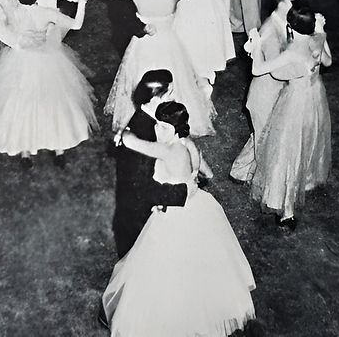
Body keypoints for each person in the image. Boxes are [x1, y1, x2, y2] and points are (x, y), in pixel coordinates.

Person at [101, 102, 256, 337]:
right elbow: (208, 172)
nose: (157, 131)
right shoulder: (188, 144)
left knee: (163, 267)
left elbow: (134, 143)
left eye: (164, 127)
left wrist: (125, 133)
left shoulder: (168, 150)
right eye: (157, 125)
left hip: (173, 215)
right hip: (199, 209)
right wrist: (192, 179)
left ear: (176, 129)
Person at [0, 0, 95, 168]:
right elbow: (77, 24)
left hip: (20, 60)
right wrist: (82, 1)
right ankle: (58, 148)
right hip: (47, 60)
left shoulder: (11, 10)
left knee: (22, 102)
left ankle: (25, 151)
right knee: (53, 101)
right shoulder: (46, 12)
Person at [101, 0, 216, 136]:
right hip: (169, 44)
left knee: (139, 79)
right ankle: (175, 116)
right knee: (176, 81)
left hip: (143, 46)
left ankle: (141, 115)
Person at [249, 1, 332, 230]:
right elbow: (328, 61)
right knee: (306, 143)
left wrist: (256, 46)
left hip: (296, 102)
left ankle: (287, 212)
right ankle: (302, 184)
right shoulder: (317, 38)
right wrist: (322, 31)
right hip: (315, 98)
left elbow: (258, 69)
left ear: (291, 27)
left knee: (287, 151)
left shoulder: (293, 53)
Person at [229, 0, 306, 182]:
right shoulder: (271, 30)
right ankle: (266, 183)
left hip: (272, 95)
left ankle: (239, 171)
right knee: (266, 141)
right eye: (293, 1)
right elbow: (278, 70)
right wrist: (301, 69)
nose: (298, 5)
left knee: (262, 135)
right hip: (264, 96)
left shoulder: (284, 22)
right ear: (280, 3)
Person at [112, 70, 187, 258]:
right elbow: (141, 188)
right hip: (138, 219)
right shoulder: (143, 133)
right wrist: (184, 192)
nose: (175, 97)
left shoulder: (158, 121)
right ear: (155, 98)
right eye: (170, 93)